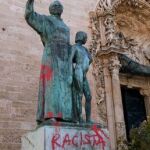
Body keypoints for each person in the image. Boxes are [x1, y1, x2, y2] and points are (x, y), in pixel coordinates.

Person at [25, 0, 73, 124]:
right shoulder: (45, 20)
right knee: (52, 84)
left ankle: (66, 116)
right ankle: (51, 114)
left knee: (65, 86)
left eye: (58, 6)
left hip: (65, 57)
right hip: (52, 55)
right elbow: (30, 15)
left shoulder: (65, 26)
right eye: (54, 6)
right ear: (50, 9)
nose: (57, 7)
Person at [70, 31, 93, 123]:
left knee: (89, 96)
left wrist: (85, 64)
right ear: (81, 37)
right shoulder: (74, 47)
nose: (86, 39)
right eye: (85, 37)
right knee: (78, 95)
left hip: (84, 74)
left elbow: (90, 59)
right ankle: (78, 118)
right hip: (78, 72)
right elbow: (70, 60)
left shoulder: (85, 49)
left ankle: (88, 120)